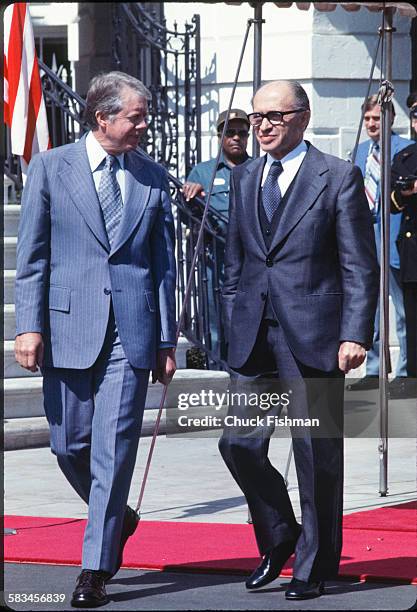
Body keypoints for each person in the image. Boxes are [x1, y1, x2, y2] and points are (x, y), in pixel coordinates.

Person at [14, 71, 177, 608]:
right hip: (66, 328)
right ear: (103, 117)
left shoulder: (153, 177)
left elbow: (162, 267)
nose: (144, 125)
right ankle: (118, 516)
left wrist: (166, 339)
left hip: (130, 334)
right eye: (136, 116)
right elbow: (32, 256)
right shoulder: (52, 167)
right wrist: (28, 325)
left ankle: (95, 569)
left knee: (114, 449)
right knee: (69, 446)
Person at [219, 80, 378, 601]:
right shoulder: (244, 178)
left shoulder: (337, 177)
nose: (261, 126)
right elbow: (237, 263)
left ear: (303, 118)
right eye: (256, 118)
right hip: (254, 335)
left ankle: (315, 564)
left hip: (314, 335)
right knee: (238, 444)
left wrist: (356, 333)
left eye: (274, 117)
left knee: (315, 454)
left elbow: (359, 264)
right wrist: (229, 316)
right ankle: (281, 533)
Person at [348, 95, 413, 393]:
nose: (372, 124)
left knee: (401, 309)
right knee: (369, 308)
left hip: (396, 235)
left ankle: (405, 371)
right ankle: (374, 370)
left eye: (378, 118)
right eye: (368, 119)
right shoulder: (360, 152)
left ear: (390, 120)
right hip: (365, 236)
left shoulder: (407, 150)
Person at [182, 109, 251, 359]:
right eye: (229, 132)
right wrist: (191, 196)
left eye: (242, 133)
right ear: (219, 136)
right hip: (216, 260)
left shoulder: (259, 168)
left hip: (250, 261)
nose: (236, 138)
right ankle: (218, 377)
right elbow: (186, 216)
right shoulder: (203, 172)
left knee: (249, 323)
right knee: (214, 325)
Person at [390, 141, 417, 398]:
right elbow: (390, 201)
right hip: (413, 253)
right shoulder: (406, 157)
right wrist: (406, 193)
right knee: (413, 324)